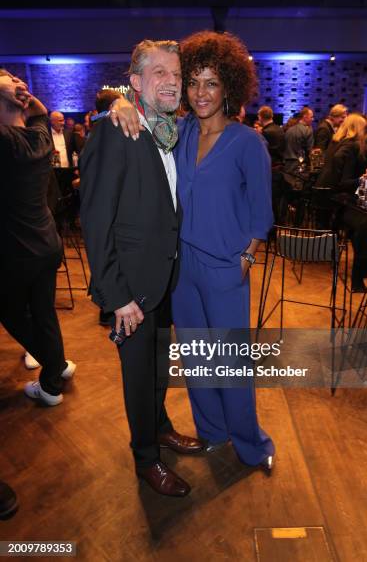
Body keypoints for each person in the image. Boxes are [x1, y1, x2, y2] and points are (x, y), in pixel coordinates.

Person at [110, 30, 275, 473]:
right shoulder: (177, 131)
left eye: (212, 83)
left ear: (229, 89)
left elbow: (262, 212)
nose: (200, 93)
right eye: (194, 82)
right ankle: (213, 432)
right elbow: (138, 111)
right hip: (182, 268)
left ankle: (250, 443)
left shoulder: (247, 142)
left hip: (226, 267)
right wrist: (121, 102)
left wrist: (247, 257)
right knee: (199, 359)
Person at [80, 40, 203, 498]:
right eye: (159, 73)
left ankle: (161, 426)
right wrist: (117, 296)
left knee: (157, 367)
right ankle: (145, 459)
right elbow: (95, 219)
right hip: (130, 288)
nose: (171, 81)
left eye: (176, 73)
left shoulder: (170, 130)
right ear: (135, 83)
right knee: (138, 377)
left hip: (163, 277)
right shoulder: (116, 131)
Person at [0, 73, 76, 405]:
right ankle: (52, 382)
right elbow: (42, 113)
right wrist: (21, 92)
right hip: (47, 244)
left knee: (11, 312)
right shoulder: (39, 136)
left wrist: (10, 88)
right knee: (43, 312)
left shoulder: (6, 139)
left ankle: (55, 367)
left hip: (17, 252)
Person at [315, 113, 366, 193]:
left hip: (323, 185)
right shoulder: (352, 144)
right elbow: (338, 157)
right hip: (334, 192)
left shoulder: (336, 141)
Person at [283, 106, 314, 173]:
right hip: (299, 164)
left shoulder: (289, 130)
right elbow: (309, 150)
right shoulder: (308, 130)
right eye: (311, 117)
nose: (313, 119)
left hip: (287, 163)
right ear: (305, 117)